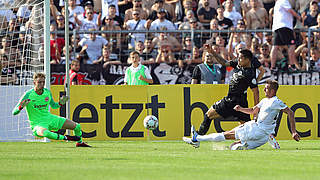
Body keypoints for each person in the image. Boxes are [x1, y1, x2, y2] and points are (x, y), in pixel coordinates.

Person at [183, 80, 301, 150]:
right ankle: (269, 138)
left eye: (266, 89)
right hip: (262, 134)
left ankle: (196, 138)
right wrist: (240, 109)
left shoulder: (275, 101)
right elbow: (253, 111)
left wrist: (293, 131)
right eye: (264, 88)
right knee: (234, 146)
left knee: (227, 135)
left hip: (257, 129)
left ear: (273, 91)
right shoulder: (265, 101)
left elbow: (290, 112)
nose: (264, 90)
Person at [191, 48, 260, 137]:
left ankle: (197, 137)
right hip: (239, 102)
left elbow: (256, 92)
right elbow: (224, 63)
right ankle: (254, 139)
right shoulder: (238, 64)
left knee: (209, 115)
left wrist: (256, 110)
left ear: (247, 60)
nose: (238, 59)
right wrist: (213, 52)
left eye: (241, 58)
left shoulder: (249, 74)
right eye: (238, 57)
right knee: (246, 127)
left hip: (232, 101)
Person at [12, 73, 91, 147]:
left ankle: (79, 142)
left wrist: (60, 103)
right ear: (34, 82)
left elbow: (54, 106)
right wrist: (20, 107)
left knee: (77, 126)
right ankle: (67, 138)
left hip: (50, 118)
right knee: (46, 133)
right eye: (39, 82)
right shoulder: (28, 94)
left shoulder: (47, 92)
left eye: (43, 82)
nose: (42, 84)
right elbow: (14, 112)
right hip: (37, 124)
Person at [270, 0, 302, 73]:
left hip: (277, 27)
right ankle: (291, 65)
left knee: (275, 46)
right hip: (285, 27)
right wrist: (299, 17)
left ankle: (273, 67)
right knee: (292, 45)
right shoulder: (283, 1)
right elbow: (290, 10)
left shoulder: (277, 2)